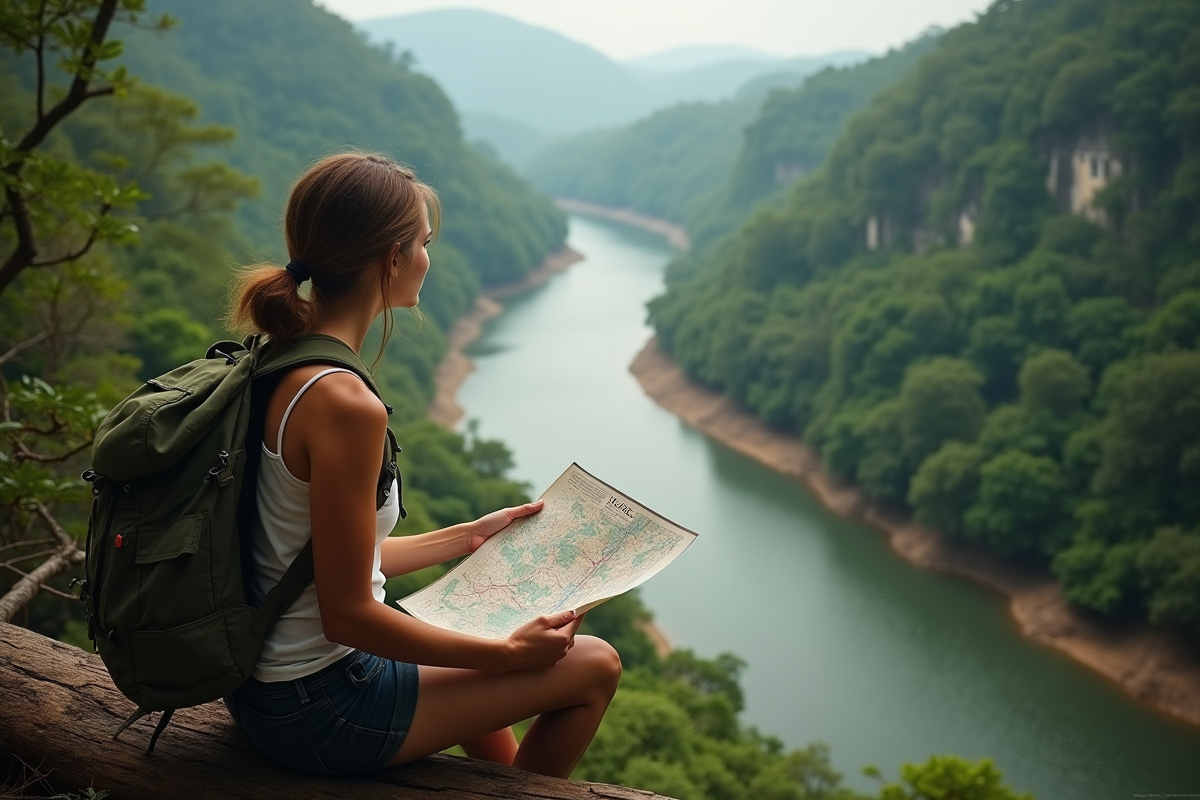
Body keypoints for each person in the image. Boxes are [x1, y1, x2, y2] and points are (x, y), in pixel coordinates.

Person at [223, 152, 621, 778]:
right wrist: (506, 655)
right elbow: (348, 613)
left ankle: (509, 785)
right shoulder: (347, 405)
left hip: (263, 687)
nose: (429, 260)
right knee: (596, 665)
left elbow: (324, 559)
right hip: (318, 707)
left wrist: (467, 538)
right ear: (392, 259)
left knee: (471, 646)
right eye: (424, 243)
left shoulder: (279, 361)